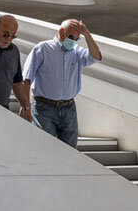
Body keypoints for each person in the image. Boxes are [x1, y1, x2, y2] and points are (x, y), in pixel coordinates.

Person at [23, 19, 102, 147]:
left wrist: (87, 34)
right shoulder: (43, 48)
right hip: (44, 107)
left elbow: (96, 57)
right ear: (61, 31)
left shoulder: (76, 52)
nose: (72, 41)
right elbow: (26, 79)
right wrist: (25, 106)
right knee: (44, 148)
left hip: (68, 108)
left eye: (76, 39)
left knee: (70, 152)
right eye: (70, 37)